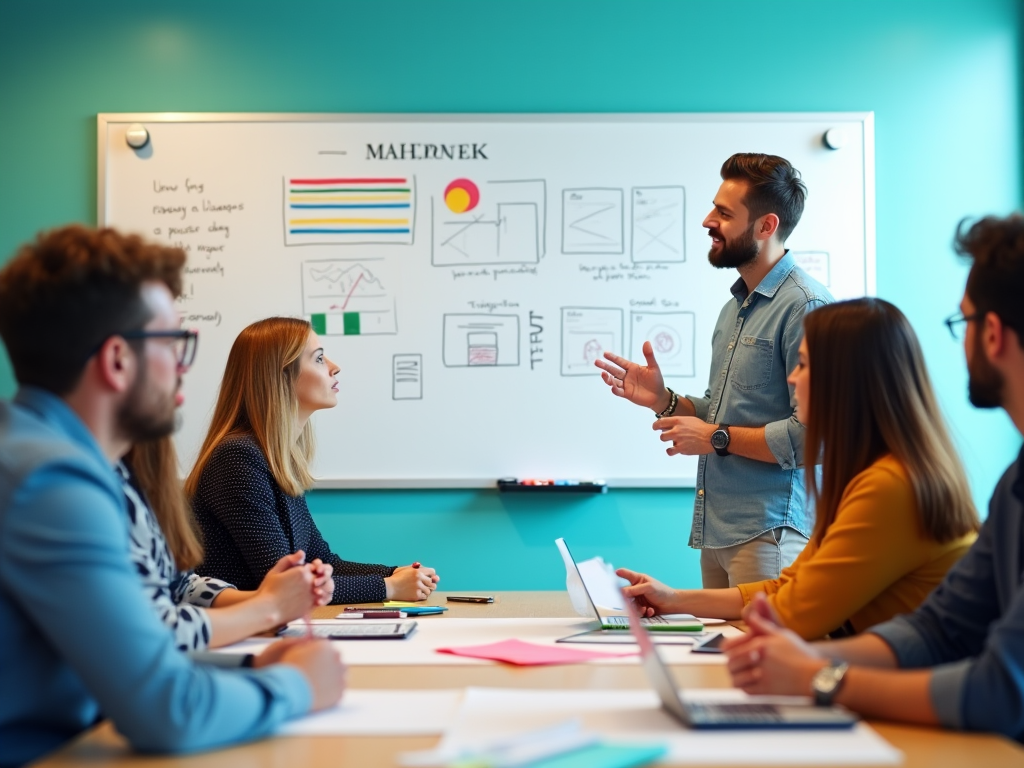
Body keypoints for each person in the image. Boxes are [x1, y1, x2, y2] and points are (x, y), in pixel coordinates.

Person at [0, 225, 345, 767]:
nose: (183, 366)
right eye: (172, 343)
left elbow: (132, 655)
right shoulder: (52, 484)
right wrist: (296, 687)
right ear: (117, 361)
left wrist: (251, 669)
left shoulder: (74, 464)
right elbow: (168, 711)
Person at [721, 214, 1024, 741]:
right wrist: (802, 661)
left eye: (964, 320)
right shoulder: (1014, 485)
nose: (793, 377)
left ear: (992, 334)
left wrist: (819, 675)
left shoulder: (894, 484)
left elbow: (1001, 691)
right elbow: (939, 630)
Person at [616, 298, 979, 639]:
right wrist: (673, 599)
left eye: (803, 365)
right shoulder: (870, 475)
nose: (791, 378)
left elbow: (794, 613)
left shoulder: (890, 485)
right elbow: (785, 589)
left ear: (845, 378)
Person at [596, 153, 833, 586]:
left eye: (724, 213)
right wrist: (664, 400)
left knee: (759, 655)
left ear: (766, 226)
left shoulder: (806, 307)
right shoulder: (733, 309)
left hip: (770, 535)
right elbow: (728, 412)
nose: (708, 221)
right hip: (716, 534)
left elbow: (814, 437)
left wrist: (715, 438)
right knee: (715, 656)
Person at [185, 317, 440, 603]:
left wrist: (395, 573)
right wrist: (389, 587)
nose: (335, 367)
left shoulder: (278, 460)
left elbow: (324, 561)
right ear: (280, 376)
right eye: (319, 359)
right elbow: (288, 584)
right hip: (240, 638)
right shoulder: (237, 458)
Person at [124, 437, 336, 651]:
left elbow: (183, 586)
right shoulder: (238, 457)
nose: (179, 401)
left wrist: (270, 599)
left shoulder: (138, 478)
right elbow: (147, 631)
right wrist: (267, 610)